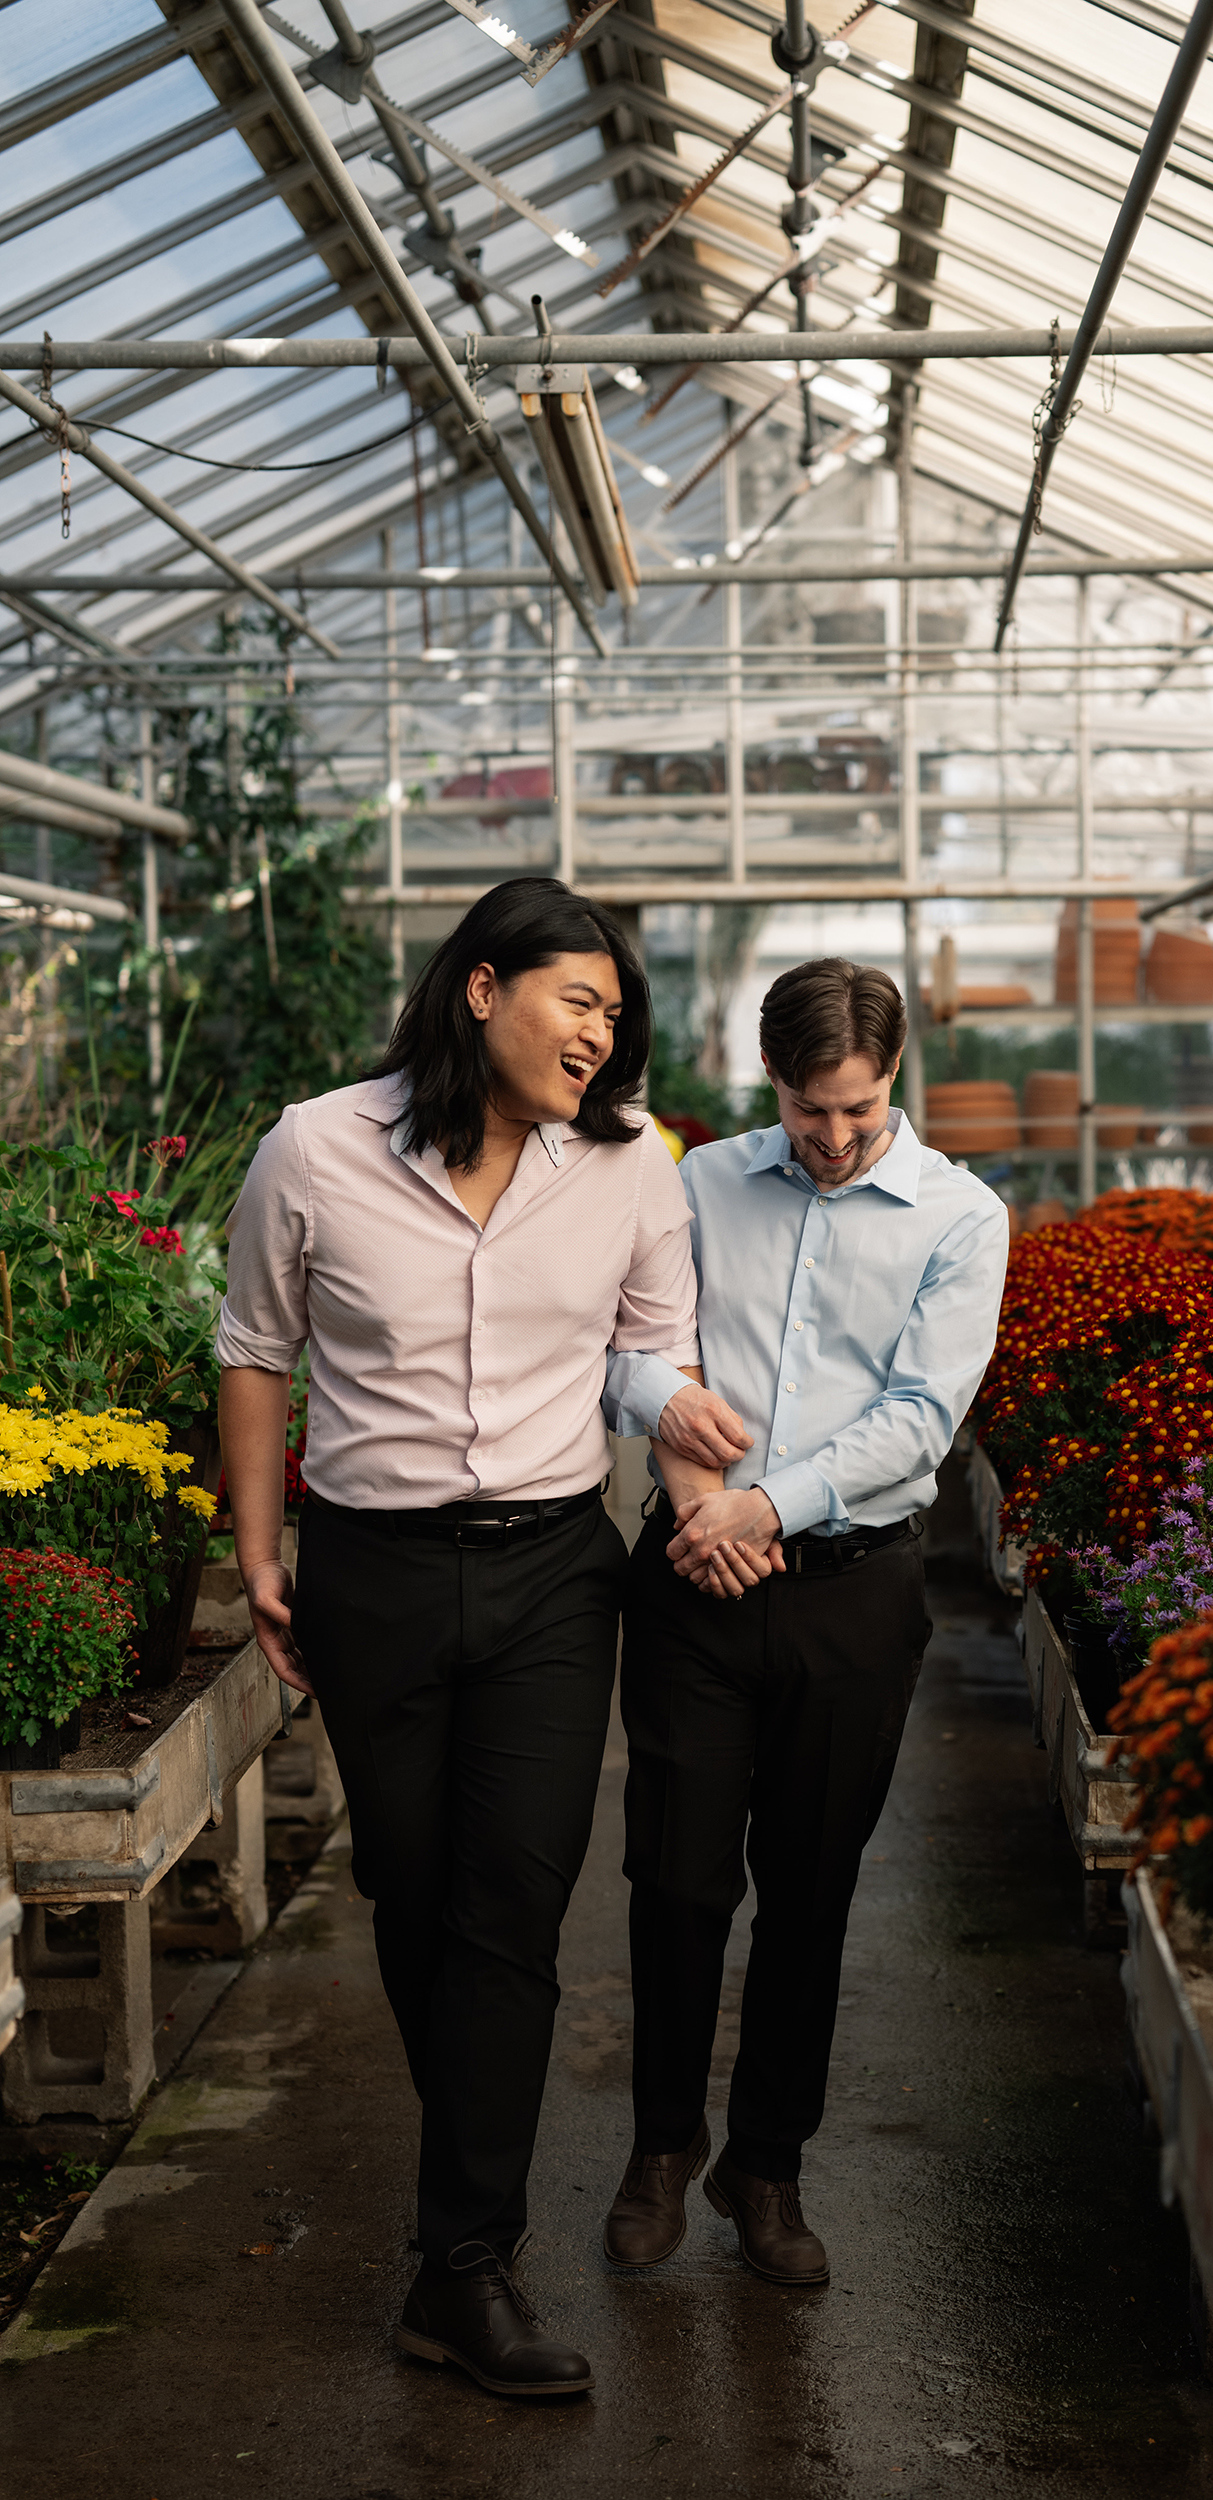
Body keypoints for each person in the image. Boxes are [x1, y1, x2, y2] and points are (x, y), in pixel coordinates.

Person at [216, 879, 755, 2399]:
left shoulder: (631, 1167)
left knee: (512, 1913)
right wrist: (264, 1555)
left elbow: (646, 1354)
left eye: (615, 1015)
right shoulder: (317, 1147)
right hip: (372, 1575)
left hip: (547, 1576)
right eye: (578, 1001)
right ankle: (463, 2228)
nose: (603, 1035)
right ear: (480, 990)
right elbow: (255, 1351)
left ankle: (466, 2264)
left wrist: (690, 1431)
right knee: (410, 1891)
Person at [602, 957, 1010, 2285]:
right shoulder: (699, 1185)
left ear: (895, 1079)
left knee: (813, 1890)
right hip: (693, 1586)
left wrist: (763, 1507)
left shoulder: (960, 1216)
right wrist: (689, 1475)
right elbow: (625, 1346)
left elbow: (919, 1418)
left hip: (853, 1590)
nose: (834, 1137)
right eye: (809, 1106)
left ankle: (765, 2167)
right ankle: (662, 2146)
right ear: (766, 1080)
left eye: (860, 1107)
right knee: (673, 1879)